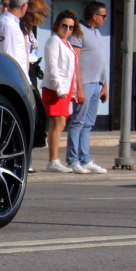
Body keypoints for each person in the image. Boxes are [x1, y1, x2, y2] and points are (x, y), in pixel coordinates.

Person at [66, 0, 110, 174]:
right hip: (84, 83)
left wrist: (104, 84)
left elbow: (101, 61)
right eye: (103, 16)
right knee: (77, 121)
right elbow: (75, 61)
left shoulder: (97, 32)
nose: (105, 19)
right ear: (95, 16)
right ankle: (72, 160)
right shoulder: (79, 32)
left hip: (96, 83)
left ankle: (85, 159)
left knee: (88, 123)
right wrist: (79, 87)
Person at [42, 10, 84, 173]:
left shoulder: (66, 44)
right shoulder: (54, 41)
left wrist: (71, 91)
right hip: (55, 88)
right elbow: (52, 66)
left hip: (64, 90)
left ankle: (54, 159)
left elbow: (71, 70)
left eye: (71, 27)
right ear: (57, 25)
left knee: (61, 123)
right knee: (57, 123)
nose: (67, 29)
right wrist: (60, 88)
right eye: (64, 26)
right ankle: (52, 160)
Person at [21, 0, 50, 173]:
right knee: (32, 116)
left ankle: (28, 159)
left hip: (32, 71)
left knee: (36, 116)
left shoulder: (29, 29)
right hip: (27, 73)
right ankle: (25, 160)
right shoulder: (21, 28)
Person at [0, 0, 30, 76]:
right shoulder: (9, 24)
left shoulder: (8, 21)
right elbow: (9, 56)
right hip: (14, 78)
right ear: (24, 6)